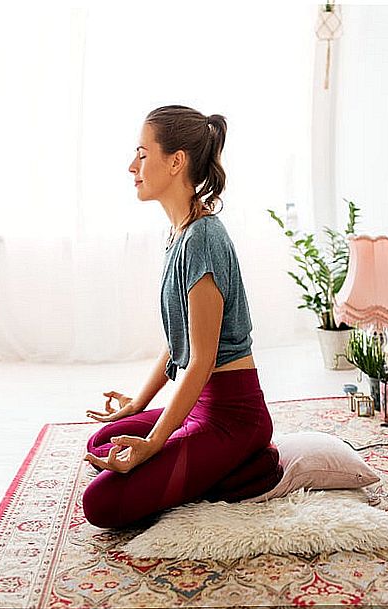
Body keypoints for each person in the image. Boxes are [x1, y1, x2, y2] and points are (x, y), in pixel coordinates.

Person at [81, 105, 282, 529]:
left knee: (101, 505)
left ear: (176, 161)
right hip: (197, 406)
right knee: (102, 443)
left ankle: (249, 461)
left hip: (232, 415)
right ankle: (217, 465)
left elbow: (203, 358)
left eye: (142, 153)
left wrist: (154, 444)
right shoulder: (178, 234)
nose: (131, 166)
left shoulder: (204, 238)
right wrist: (136, 405)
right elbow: (178, 345)